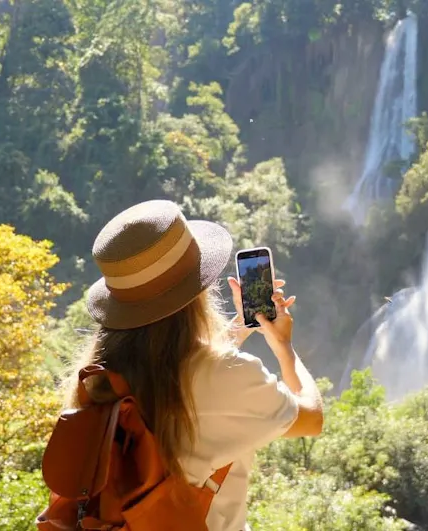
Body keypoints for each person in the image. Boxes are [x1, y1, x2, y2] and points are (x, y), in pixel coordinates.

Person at [62, 199, 324, 531]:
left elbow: (184, 371)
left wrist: (236, 332)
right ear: (198, 291)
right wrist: (284, 346)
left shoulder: (99, 376)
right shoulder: (229, 376)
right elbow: (312, 418)